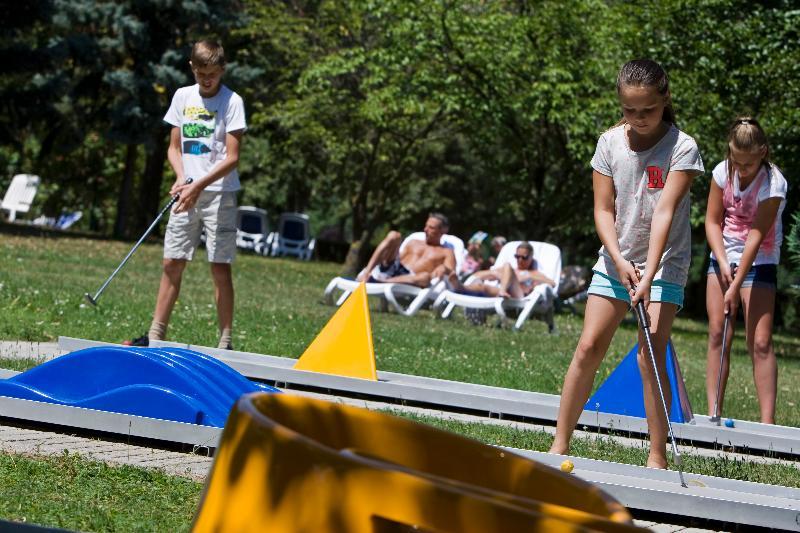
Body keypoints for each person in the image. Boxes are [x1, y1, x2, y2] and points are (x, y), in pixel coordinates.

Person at [549, 59, 704, 469]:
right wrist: (618, 260)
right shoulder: (609, 142)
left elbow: (665, 213)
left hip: (665, 262)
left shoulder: (682, 147)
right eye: (630, 111)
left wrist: (649, 270)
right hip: (615, 258)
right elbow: (603, 210)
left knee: (648, 354)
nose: (639, 119)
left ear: (664, 100)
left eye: (648, 110)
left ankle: (657, 458)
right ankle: (559, 445)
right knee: (588, 346)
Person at [126, 40, 246, 349]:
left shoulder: (233, 102)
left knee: (220, 266)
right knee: (172, 262)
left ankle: (225, 340)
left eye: (213, 74)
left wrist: (198, 185)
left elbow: (231, 158)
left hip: (220, 194)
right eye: (202, 72)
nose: (207, 79)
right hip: (186, 191)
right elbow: (173, 147)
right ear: (192, 67)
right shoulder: (182, 96)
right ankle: (156, 334)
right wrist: (182, 178)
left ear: (222, 70)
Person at [704, 117, 787, 424]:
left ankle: (767, 426)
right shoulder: (722, 172)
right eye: (736, 161)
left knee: (760, 342)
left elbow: (756, 235)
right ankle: (713, 415)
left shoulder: (774, 184)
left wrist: (735, 285)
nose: (740, 169)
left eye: (748, 164)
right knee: (718, 333)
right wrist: (724, 264)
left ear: (762, 152)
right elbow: (712, 221)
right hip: (723, 255)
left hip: (760, 260)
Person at [356, 213, 456, 288]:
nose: (425, 229)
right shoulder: (414, 241)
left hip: (411, 278)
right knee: (394, 235)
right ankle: (367, 272)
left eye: (431, 228)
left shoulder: (447, 252)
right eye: (426, 226)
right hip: (394, 268)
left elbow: (451, 272)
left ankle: (379, 282)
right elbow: (397, 257)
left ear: (443, 230)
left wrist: (445, 268)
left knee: (425, 277)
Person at [454, 242, 555, 298]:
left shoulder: (534, 273)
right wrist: (495, 274)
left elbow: (552, 283)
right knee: (484, 287)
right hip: (503, 294)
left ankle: (502, 291)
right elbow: (479, 274)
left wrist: (528, 276)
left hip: (520, 297)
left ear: (531, 257)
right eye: (517, 256)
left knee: (507, 266)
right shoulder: (509, 270)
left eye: (524, 257)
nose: (519, 260)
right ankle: (460, 287)